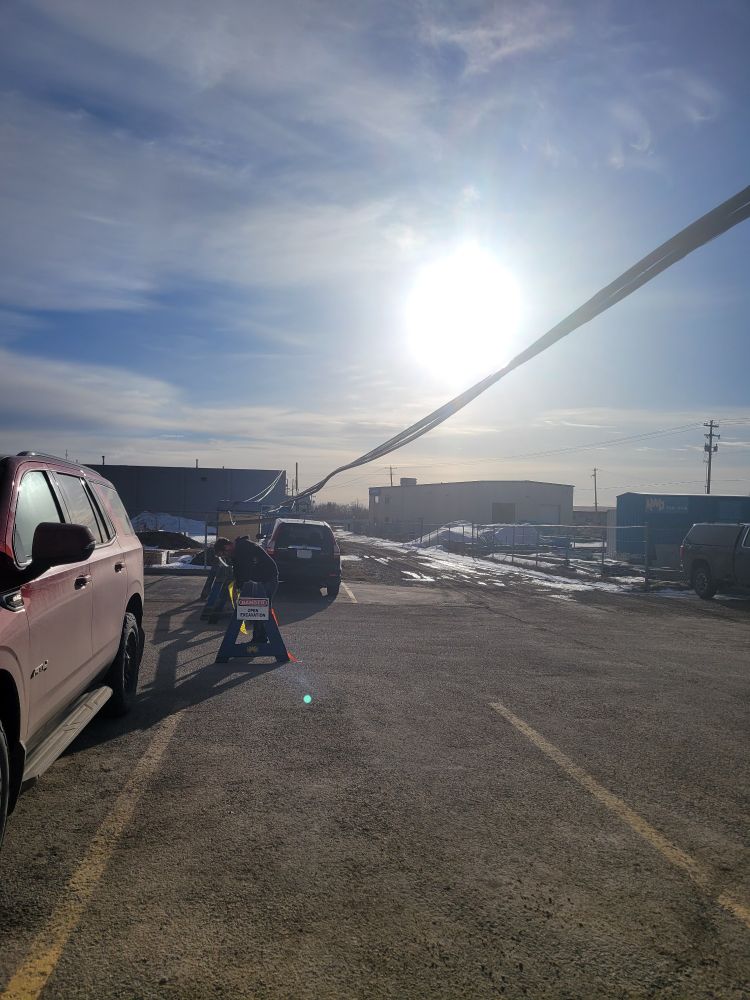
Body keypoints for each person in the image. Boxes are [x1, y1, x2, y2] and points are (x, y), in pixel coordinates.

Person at [215, 535, 279, 640]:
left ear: (227, 547)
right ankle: (259, 638)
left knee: (262, 610)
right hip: (260, 579)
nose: (225, 556)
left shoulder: (243, 547)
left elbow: (245, 570)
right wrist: (239, 585)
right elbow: (239, 571)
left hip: (268, 578)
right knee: (258, 610)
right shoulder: (237, 551)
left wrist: (241, 586)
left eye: (224, 553)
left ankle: (261, 638)